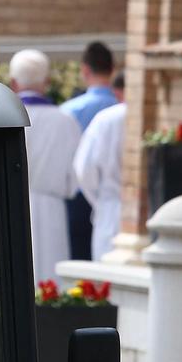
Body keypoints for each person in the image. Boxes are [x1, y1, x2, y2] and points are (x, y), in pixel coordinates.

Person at [8, 49, 82, 285]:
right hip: (52, 212)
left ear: (13, 82)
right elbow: (75, 177)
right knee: (52, 283)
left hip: (10, 208)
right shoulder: (65, 121)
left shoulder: (3, 118)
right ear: (47, 82)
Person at [60, 41, 119, 261]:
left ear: (84, 70)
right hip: (110, 196)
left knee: (78, 261)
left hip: (78, 197)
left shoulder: (68, 111)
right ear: (113, 70)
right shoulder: (122, 108)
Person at [72, 71, 128, 261]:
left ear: (118, 92)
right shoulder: (156, 115)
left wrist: (98, 199)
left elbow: (83, 168)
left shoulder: (106, 119)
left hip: (109, 207)